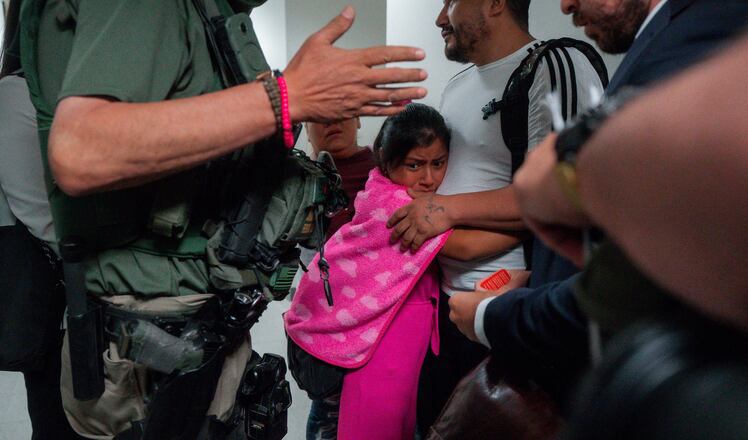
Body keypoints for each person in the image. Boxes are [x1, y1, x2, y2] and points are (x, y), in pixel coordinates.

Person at [18, 2, 429, 438]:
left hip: (201, 332)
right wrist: (286, 98)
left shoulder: (208, 13)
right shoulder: (149, 10)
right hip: (153, 356)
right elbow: (82, 150)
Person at [446, 0, 748, 398]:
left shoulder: (709, 27)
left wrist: (493, 317)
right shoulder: (669, 36)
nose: (564, 5)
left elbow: (651, 276)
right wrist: (540, 280)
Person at [384, 0, 605, 430]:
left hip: (507, 306)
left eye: (450, 2)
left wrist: (446, 210)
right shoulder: (457, 85)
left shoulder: (555, 62)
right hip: (441, 307)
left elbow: (567, 192)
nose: (439, 18)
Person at [512, 2, 748, 342]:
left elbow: (683, 201)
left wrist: (500, 316)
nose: (565, 4)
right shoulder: (666, 34)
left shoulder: (711, 18)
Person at [285, 103, 523, 440]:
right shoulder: (398, 205)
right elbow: (468, 247)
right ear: (387, 160)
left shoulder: (381, 184)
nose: (428, 178)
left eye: (438, 164)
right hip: (371, 352)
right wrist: (533, 222)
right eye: (415, 165)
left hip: (382, 343)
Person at [0, 2, 82, 438]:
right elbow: (39, 213)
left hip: (82, 291)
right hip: (56, 298)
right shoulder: (17, 93)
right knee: (58, 419)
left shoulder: (73, 89)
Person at [301, 118, 375, 439]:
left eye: (343, 110)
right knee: (327, 420)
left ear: (358, 117)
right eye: (319, 114)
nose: (332, 120)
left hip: (384, 327)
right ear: (306, 128)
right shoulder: (299, 180)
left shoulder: (387, 171)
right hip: (325, 335)